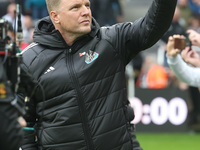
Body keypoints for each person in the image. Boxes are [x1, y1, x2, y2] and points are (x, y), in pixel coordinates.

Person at [18, 0, 177, 149]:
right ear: (55, 17)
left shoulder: (111, 40)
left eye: (87, 5)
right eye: (76, 7)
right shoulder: (28, 61)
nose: (85, 11)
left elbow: (152, 26)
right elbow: (23, 124)